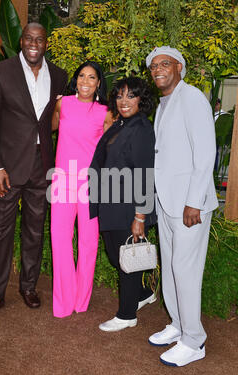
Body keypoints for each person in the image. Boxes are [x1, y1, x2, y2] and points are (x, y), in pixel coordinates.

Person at [0, 23, 68, 321]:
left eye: (40, 40)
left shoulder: (60, 76)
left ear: (46, 44)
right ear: (21, 40)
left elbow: (53, 119)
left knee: (35, 229)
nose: (33, 44)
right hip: (8, 168)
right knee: (1, 230)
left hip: (42, 165)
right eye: (29, 38)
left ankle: (28, 286)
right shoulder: (0, 72)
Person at [146, 46, 218, 366]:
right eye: (152, 66)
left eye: (164, 64)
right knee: (173, 266)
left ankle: (194, 340)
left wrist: (193, 202)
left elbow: (205, 154)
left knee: (186, 271)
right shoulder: (165, 103)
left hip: (190, 205)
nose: (157, 69)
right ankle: (178, 325)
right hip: (168, 201)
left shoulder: (192, 98)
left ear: (179, 67)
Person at [89, 77, 157, 332]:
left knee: (126, 258)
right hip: (112, 203)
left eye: (131, 96)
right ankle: (141, 294)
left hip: (129, 206)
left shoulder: (141, 128)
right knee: (118, 256)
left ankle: (127, 315)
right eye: (119, 96)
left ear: (142, 99)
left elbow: (144, 173)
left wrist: (140, 216)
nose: (124, 101)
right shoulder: (121, 124)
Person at [50, 61, 113, 318]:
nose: (85, 81)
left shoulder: (106, 112)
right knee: (59, 238)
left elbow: (110, 150)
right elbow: (52, 127)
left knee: (88, 243)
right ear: (76, 79)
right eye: (81, 76)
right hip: (63, 180)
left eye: (91, 78)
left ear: (99, 83)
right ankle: (64, 300)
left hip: (90, 183)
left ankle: (81, 299)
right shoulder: (63, 103)